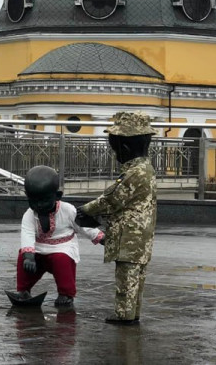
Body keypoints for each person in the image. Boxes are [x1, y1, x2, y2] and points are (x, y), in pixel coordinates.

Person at [76, 112, 157, 325]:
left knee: (126, 279)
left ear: (126, 147)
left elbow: (112, 198)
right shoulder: (144, 168)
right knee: (136, 278)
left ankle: (124, 315)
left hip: (130, 235)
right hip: (141, 236)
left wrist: (85, 209)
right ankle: (132, 313)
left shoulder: (135, 172)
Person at [7, 166, 105, 308]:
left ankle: (66, 294)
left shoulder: (68, 210)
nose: (39, 205)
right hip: (39, 249)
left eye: (44, 200)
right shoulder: (29, 214)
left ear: (57, 196)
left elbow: (82, 227)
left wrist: (100, 237)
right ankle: (23, 291)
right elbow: (27, 235)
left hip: (62, 247)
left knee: (62, 259)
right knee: (23, 257)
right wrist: (29, 256)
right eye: (33, 201)